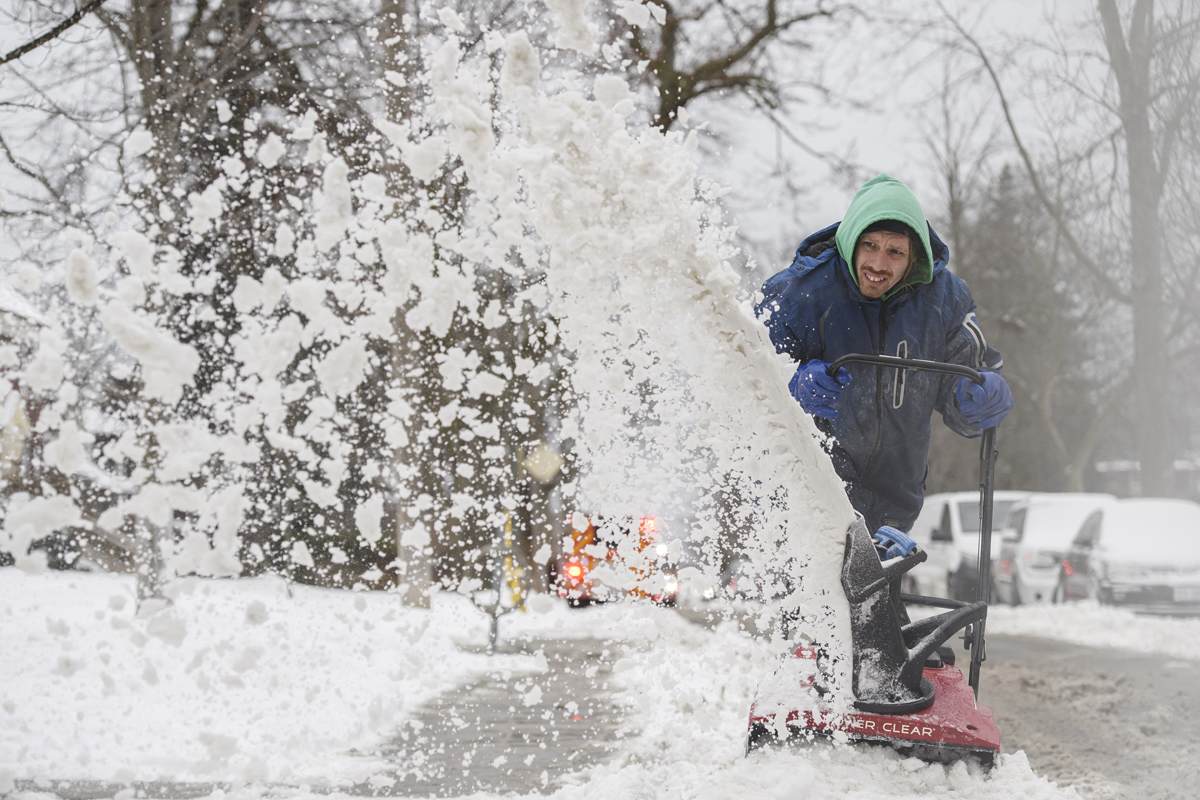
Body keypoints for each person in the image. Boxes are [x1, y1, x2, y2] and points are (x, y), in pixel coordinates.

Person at [756, 173, 1012, 535]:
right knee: (820, 588)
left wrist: (977, 396)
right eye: (870, 246)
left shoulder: (945, 301)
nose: (879, 264)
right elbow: (743, 378)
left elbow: (964, 385)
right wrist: (792, 385)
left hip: (894, 508)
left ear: (914, 258)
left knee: (875, 591)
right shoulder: (800, 293)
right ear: (851, 242)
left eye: (895, 252)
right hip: (802, 499)